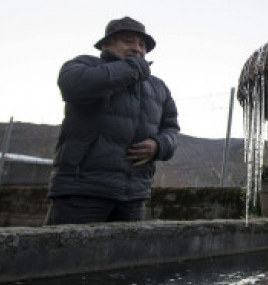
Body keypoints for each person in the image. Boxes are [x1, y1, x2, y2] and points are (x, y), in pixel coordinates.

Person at [45, 17, 179, 224]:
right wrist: (133, 68)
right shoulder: (83, 65)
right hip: (82, 192)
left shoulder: (158, 87)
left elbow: (171, 128)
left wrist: (159, 145)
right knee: (68, 255)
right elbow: (74, 86)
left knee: (126, 256)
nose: (137, 49)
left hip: (134, 196)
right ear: (106, 44)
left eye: (142, 45)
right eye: (128, 41)